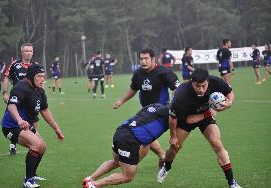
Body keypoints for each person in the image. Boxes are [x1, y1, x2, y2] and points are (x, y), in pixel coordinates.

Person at [83, 103, 213, 188]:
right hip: (130, 139)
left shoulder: (155, 106)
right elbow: (189, 120)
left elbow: (141, 117)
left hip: (120, 131)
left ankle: (89, 179)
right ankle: (94, 185)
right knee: (128, 176)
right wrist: (209, 113)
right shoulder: (172, 112)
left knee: (116, 162)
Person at [157, 68, 242, 188]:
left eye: (204, 85)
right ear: (192, 82)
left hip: (205, 117)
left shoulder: (216, 82)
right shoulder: (181, 94)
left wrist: (229, 103)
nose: (201, 89)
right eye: (197, 86)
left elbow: (230, 93)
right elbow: (179, 119)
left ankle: (232, 182)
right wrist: (173, 136)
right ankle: (167, 166)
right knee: (174, 149)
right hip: (185, 118)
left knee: (217, 144)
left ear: (208, 82)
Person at [113, 48, 180, 168]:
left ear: (153, 59)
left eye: (146, 58)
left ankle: (130, 166)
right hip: (144, 112)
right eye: (141, 59)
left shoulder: (164, 72)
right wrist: (121, 101)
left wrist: (173, 106)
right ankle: (162, 156)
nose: (143, 61)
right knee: (145, 138)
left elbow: (177, 89)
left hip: (159, 113)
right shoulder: (138, 73)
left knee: (145, 141)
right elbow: (133, 88)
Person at [1, 64, 64, 188]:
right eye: (39, 76)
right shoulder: (21, 87)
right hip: (11, 126)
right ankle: (28, 181)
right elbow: (11, 106)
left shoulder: (40, 90)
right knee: (36, 144)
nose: (42, 79)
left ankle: (32, 175)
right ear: (31, 76)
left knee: (42, 147)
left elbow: (45, 111)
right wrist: (19, 120)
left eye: (43, 77)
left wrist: (57, 129)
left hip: (25, 125)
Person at [2, 43, 37, 155]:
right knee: (13, 122)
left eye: (31, 51)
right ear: (22, 53)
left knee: (31, 122)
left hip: (30, 101)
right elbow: (7, 77)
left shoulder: (35, 66)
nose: (29, 53)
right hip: (16, 100)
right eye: (26, 51)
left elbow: (40, 82)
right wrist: (5, 93)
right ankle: (13, 145)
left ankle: (34, 142)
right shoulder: (15, 64)